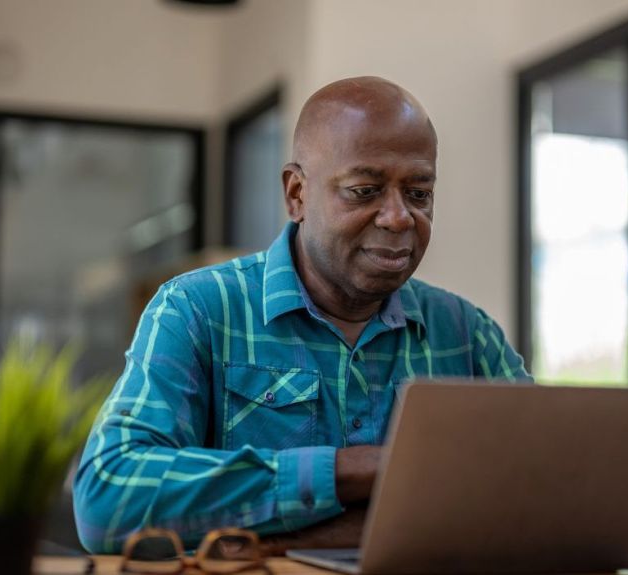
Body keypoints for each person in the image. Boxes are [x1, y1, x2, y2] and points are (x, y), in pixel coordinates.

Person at [73, 76, 531, 555]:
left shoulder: (465, 333)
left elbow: (544, 490)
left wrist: (302, 535)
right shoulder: (197, 310)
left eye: (419, 193)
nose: (399, 217)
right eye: (365, 190)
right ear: (296, 194)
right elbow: (109, 497)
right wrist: (356, 470)